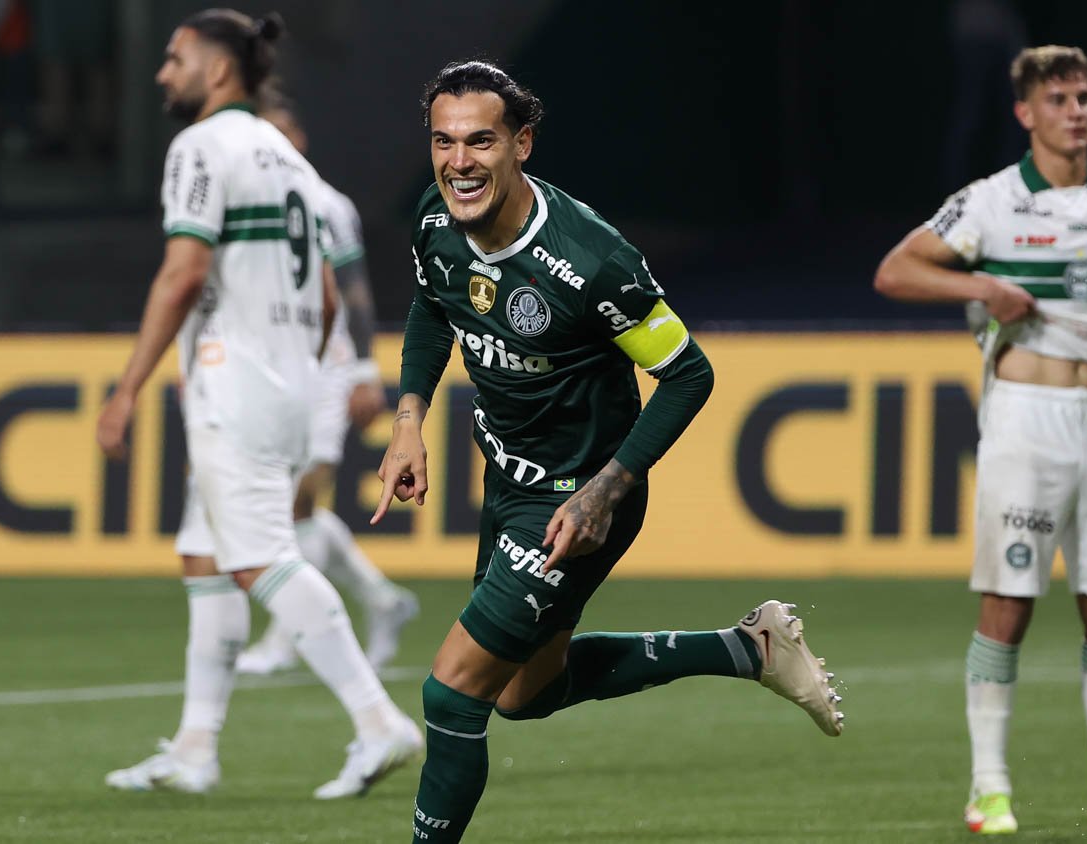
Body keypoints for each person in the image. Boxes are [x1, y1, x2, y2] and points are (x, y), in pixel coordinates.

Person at [373, 60, 845, 843]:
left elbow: (689, 374)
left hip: (577, 499)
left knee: (452, 694)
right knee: (524, 694)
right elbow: (432, 303)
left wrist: (606, 488)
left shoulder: (592, 262)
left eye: (481, 141)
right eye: (443, 142)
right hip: (508, 483)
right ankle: (748, 649)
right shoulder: (436, 218)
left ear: (521, 143)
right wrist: (409, 418)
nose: (459, 162)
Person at [95, 9, 421, 800]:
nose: (162, 73)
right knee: (205, 557)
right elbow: (330, 295)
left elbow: (182, 273)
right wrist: (295, 363)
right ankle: (195, 749)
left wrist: (128, 387)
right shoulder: (290, 159)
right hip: (284, 381)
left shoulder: (203, 146)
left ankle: (378, 721)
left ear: (217, 70)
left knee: (260, 559)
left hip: (233, 380)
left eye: (174, 59)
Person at [874, 45, 1087, 834]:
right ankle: (988, 790)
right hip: (1026, 418)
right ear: (1025, 113)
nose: (1076, 112)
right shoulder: (990, 202)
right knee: (1009, 601)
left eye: (1084, 98)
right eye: (1059, 100)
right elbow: (896, 271)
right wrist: (982, 286)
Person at [233, 90, 420, 675]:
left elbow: (355, 291)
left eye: (279, 135)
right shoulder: (249, 206)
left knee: (299, 496)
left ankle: (286, 636)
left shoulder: (325, 204)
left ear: (299, 140)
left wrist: (364, 370)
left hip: (329, 367)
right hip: (276, 368)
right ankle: (382, 600)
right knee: (295, 505)